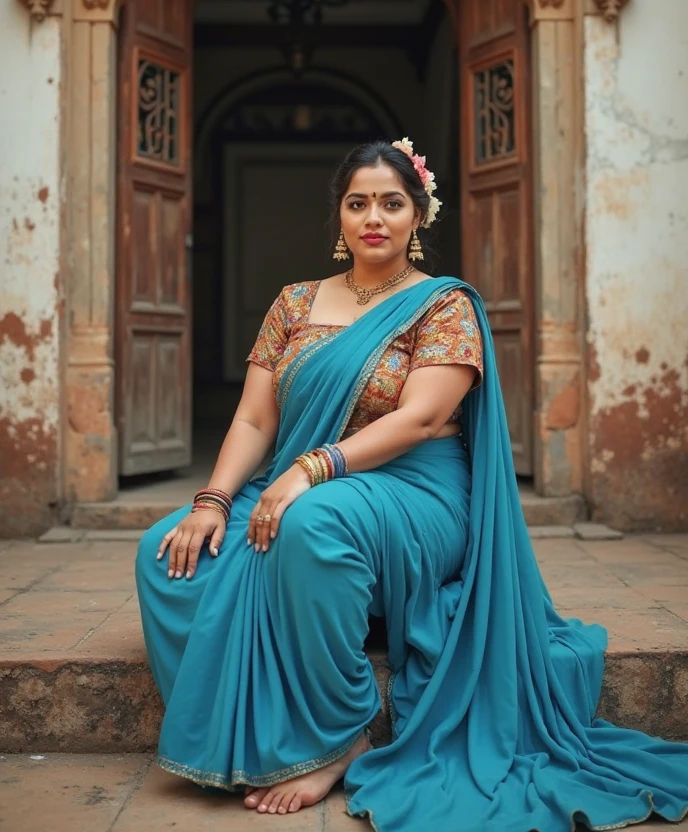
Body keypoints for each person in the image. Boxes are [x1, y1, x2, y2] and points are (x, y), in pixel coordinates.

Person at [135, 139, 688, 832]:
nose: (374, 217)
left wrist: (309, 469)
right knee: (166, 554)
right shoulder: (295, 302)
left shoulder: (442, 305)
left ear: (418, 215)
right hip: (317, 483)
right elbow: (253, 415)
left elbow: (423, 417)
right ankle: (250, 728)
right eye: (357, 202)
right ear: (338, 215)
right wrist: (212, 500)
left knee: (314, 524)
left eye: (392, 203)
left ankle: (341, 733)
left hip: (417, 496)